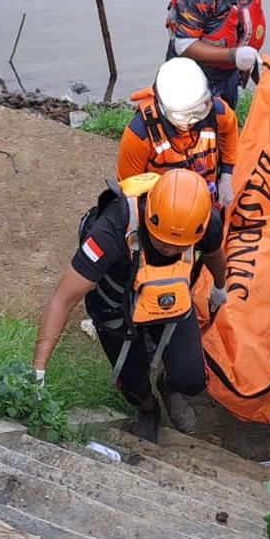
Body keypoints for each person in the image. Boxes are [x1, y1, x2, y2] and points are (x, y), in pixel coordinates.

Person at [33, 169, 229, 443]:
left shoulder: (203, 221)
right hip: (116, 307)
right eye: (162, 242)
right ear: (149, 218)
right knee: (132, 385)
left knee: (192, 379)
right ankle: (148, 408)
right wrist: (38, 371)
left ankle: (169, 384)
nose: (170, 251)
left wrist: (220, 286)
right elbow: (62, 300)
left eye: (179, 246)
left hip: (168, 299)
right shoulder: (112, 231)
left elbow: (214, 253)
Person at [117, 57, 240, 208]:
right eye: (183, 116)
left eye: (198, 111)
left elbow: (229, 130)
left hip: (206, 199)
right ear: (164, 109)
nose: (192, 121)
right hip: (162, 211)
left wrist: (227, 175)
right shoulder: (139, 136)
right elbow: (128, 193)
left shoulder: (217, 113)